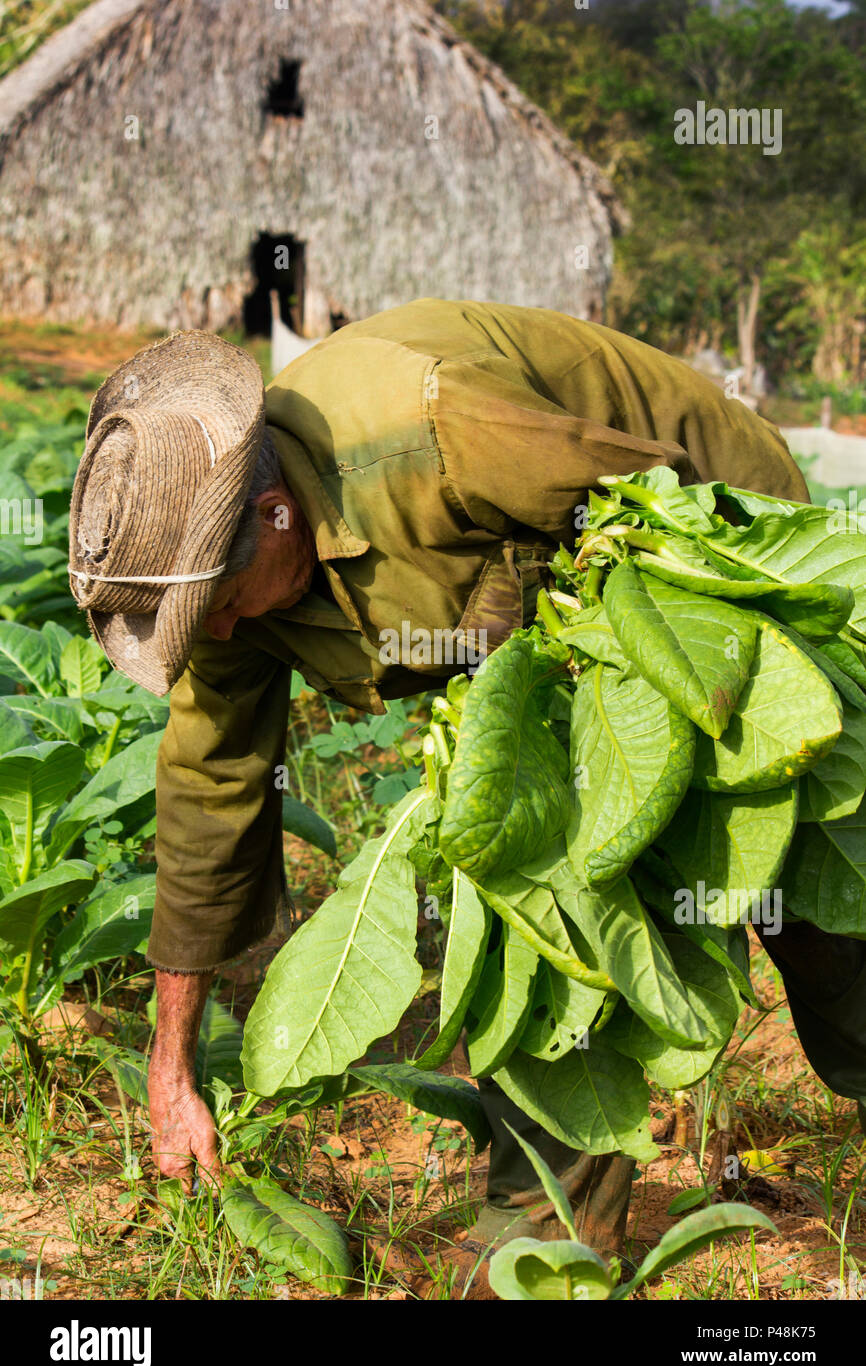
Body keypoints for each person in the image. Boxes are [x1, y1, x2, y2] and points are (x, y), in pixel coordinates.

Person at [67, 298, 866, 1298]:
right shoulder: (232, 603)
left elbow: (655, 505)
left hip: (712, 537)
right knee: (542, 909)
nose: (218, 635)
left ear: (272, 514)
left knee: (811, 881)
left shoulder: (437, 431)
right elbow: (209, 795)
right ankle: (542, 1246)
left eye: (218, 605)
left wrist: (624, 691)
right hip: (522, 630)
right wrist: (169, 1063)